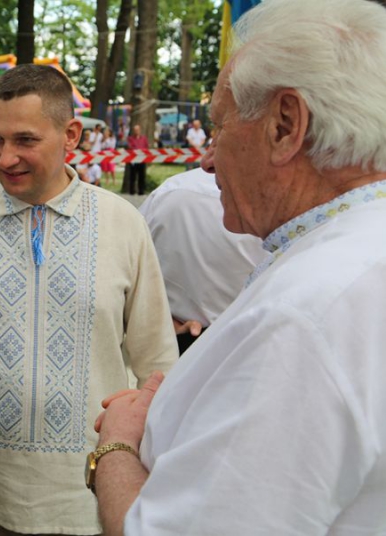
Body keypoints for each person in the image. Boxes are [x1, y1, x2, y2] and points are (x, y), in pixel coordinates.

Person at [94, 1, 386, 534]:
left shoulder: (302, 317)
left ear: (285, 125)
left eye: (219, 127)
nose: (205, 159)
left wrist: (119, 441)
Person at [0, 63, 178, 535]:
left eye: (24, 140)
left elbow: (158, 362)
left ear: (72, 135)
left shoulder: (123, 224)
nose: (4, 158)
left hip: (83, 495)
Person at [138, 168, 267, 353]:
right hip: (252, 345)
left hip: (177, 343)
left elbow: (127, 272)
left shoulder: (170, 191)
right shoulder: (285, 204)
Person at [126, 124, 149, 195]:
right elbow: (130, 147)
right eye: (135, 130)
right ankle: (132, 191)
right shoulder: (130, 138)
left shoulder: (144, 138)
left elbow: (146, 147)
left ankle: (141, 191)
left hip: (142, 159)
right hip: (134, 160)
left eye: (138, 130)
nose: (136, 131)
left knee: (141, 176)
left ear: (140, 130)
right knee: (132, 176)